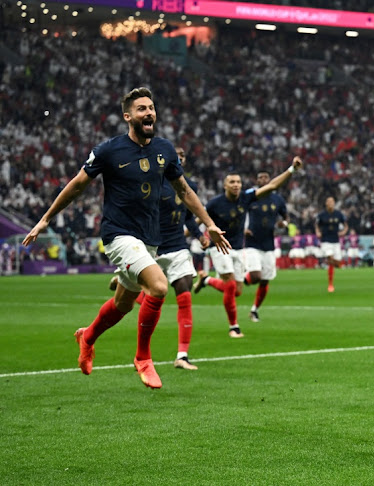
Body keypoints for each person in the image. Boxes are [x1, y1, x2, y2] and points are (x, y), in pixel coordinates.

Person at [22, 87, 230, 389]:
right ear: (128, 116)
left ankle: (88, 336)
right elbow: (78, 185)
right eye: (142, 108)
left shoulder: (165, 150)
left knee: (123, 303)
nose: (149, 113)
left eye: (152, 107)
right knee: (159, 287)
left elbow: (184, 191)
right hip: (118, 234)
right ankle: (143, 358)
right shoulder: (109, 150)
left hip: (150, 239)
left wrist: (208, 224)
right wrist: (45, 219)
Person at [108, 146, 208, 370]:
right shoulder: (151, 181)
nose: (179, 159)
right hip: (151, 247)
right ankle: (127, 283)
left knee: (185, 294)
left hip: (178, 248)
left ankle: (182, 355)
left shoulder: (189, 187)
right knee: (153, 295)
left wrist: (200, 235)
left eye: (182, 156)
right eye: (176, 156)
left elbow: (188, 217)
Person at [193, 157, 303, 337]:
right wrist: (192, 236)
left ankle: (206, 280)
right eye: (232, 182)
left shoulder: (245, 198)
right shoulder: (215, 203)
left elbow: (273, 187)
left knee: (236, 291)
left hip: (238, 248)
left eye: (238, 182)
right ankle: (234, 327)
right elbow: (198, 219)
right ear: (225, 185)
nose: (236, 185)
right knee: (229, 285)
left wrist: (292, 169)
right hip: (219, 247)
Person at [242, 168, 290, 323]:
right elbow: (239, 212)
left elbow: (285, 216)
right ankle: (238, 279)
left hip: (269, 243)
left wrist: (284, 223)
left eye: (266, 177)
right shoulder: (251, 196)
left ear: (270, 180)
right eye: (260, 177)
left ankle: (254, 310)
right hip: (252, 242)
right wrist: (243, 228)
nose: (263, 179)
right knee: (256, 276)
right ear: (257, 181)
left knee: (265, 280)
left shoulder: (277, 199)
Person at [315, 196, 348, 292]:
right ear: (326, 203)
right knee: (330, 258)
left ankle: (336, 264)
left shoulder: (338, 214)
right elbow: (317, 224)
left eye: (332, 202)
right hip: (325, 241)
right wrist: (317, 232)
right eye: (329, 202)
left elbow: (346, 224)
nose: (330, 203)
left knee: (337, 263)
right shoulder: (321, 215)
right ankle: (330, 285)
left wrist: (344, 231)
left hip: (336, 241)